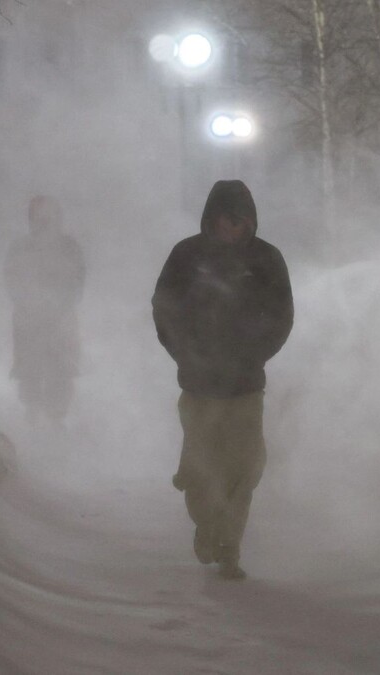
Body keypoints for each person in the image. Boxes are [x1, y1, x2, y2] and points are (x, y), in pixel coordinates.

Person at [151, 180, 294, 580]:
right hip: (197, 385)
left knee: (245, 469)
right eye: (224, 220)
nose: (232, 229)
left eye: (240, 221)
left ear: (250, 222)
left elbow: (282, 316)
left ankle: (230, 547)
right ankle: (207, 523)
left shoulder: (266, 260)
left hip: (246, 385)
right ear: (210, 219)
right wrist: (185, 353)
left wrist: (254, 355)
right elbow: (164, 308)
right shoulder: (186, 255)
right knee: (202, 469)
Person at [4, 195, 86, 425]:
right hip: (28, 317)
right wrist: (26, 302)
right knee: (30, 366)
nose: (43, 224)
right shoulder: (21, 248)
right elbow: (10, 278)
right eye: (38, 219)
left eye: (48, 218)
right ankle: (32, 411)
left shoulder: (69, 247)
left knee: (62, 366)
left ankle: (57, 417)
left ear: (58, 219)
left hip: (61, 317)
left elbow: (78, 280)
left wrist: (61, 305)